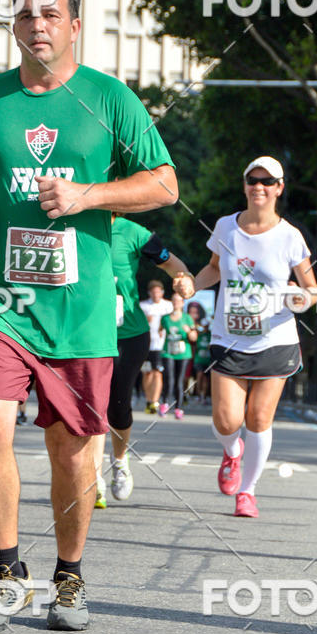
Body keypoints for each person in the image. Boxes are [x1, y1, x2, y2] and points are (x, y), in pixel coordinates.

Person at [0, 0, 178, 633]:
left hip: (82, 308)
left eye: (49, 14)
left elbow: (164, 185)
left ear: (73, 24)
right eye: (23, 15)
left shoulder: (110, 100)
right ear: (12, 25)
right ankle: (6, 569)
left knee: (73, 450)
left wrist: (88, 196)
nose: (36, 25)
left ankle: (69, 575)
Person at [193, 156, 317, 518]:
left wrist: (302, 298)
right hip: (229, 338)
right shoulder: (225, 228)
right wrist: (190, 286)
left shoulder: (290, 237)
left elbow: (311, 289)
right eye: (253, 180)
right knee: (226, 421)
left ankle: (247, 492)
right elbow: (214, 270)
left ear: (280, 187)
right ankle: (232, 451)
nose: (259, 187)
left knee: (259, 419)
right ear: (245, 185)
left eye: (268, 181)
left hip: (275, 339)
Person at [93, 215, 194, 508]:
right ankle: (92, 477)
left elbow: (173, 264)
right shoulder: (69, 225)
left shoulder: (133, 233)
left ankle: (120, 461)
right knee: (91, 404)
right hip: (84, 334)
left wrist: (183, 279)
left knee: (118, 404)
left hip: (129, 334)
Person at [158, 293, 197, 419]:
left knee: (179, 380)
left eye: (179, 301)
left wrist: (188, 331)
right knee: (169, 378)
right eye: (174, 300)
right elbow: (160, 330)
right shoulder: (165, 318)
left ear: (183, 303)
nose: (176, 303)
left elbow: (194, 337)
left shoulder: (187, 318)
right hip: (168, 351)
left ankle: (178, 408)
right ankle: (164, 404)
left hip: (183, 353)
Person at [139, 280, 173, 413]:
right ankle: (148, 400)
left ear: (162, 292)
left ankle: (155, 401)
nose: (156, 294)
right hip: (146, 344)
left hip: (161, 345)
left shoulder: (168, 305)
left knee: (158, 373)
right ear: (149, 293)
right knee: (147, 373)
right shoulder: (143, 305)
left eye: (158, 292)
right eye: (153, 292)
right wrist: (145, 321)